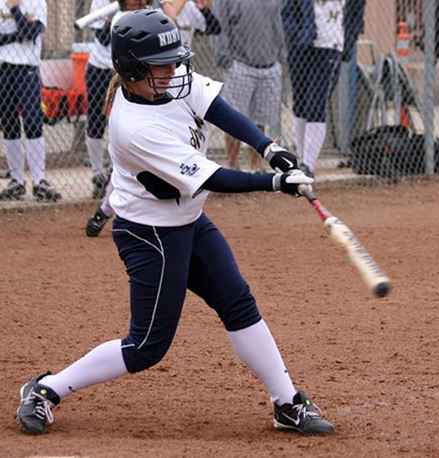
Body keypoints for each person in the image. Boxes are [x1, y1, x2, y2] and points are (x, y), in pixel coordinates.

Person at [16, 9, 334, 436]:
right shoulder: (134, 127)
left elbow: (217, 107)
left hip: (189, 219)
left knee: (238, 303)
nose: (174, 71)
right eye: (161, 65)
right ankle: (45, 389)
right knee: (146, 346)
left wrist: (270, 146)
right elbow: (213, 176)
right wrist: (276, 181)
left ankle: (287, 402)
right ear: (132, 72)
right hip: (151, 235)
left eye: (174, 61)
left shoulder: (168, 81)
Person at [85, 0, 153, 200]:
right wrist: (110, 20)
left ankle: (118, 174)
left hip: (126, 70)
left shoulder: (144, 8)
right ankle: (97, 174)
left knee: (125, 122)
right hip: (100, 68)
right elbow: (104, 38)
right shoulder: (101, 2)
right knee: (96, 120)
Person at [0, 0, 61, 201]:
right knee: (9, 124)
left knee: (33, 123)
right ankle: (16, 180)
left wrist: (14, 9)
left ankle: (39, 181)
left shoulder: (37, 2)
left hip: (27, 69)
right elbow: (23, 32)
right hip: (3, 69)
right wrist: (20, 29)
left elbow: (31, 33)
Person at [213, 0, 285, 172]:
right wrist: (224, 58)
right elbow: (220, 26)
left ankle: (256, 165)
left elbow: (278, 24)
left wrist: (281, 56)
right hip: (239, 64)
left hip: (269, 64)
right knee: (233, 118)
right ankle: (233, 164)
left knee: (260, 121)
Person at [281, 0, 345, 178]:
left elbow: (354, 14)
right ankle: (301, 160)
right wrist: (298, 35)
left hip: (327, 47)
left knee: (315, 105)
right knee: (300, 105)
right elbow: (287, 13)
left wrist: (346, 44)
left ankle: (308, 164)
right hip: (300, 47)